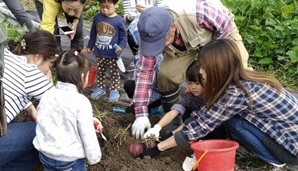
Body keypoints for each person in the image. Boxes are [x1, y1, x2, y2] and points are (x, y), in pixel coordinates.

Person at [134, 38, 298, 170]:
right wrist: (164, 135)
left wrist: (157, 149)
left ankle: (274, 161)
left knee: (233, 122)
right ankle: (268, 154)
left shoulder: (235, 93)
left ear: (217, 69)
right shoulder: (244, 78)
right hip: (287, 136)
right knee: (228, 120)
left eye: (204, 67)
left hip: (292, 149)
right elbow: (204, 115)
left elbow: (201, 125)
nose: (200, 72)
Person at [131, 1, 253, 139]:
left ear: (172, 26)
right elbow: (144, 72)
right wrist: (141, 113)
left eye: (162, 40)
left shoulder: (200, 14)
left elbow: (223, 26)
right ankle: (174, 122)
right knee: (166, 76)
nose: (161, 46)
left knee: (238, 73)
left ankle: (245, 124)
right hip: (182, 44)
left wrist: (211, 63)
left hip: (218, 33)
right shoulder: (148, 33)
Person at [0, 29, 59, 170]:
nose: (48, 71)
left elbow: (9, 86)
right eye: (49, 66)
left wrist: (30, 107)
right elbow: (62, 103)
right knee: (44, 133)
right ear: (38, 57)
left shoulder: (5, 55)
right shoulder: (30, 72)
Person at [33, 49, 102, 170]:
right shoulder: (81, 102)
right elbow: (87, 135)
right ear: (82, 76)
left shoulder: (47, 95)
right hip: (68, 160)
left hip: (45, 155)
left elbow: (44, 121)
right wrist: (94, 157)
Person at [87, 0, 127, 102]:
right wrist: (90, 46)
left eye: (108, 7)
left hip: (112, 53)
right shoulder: (97, 18)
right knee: (100, 71)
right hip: (99, 52)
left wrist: (120, 48)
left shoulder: (119, 20)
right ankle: (100, 88)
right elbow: (93, 34)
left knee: (114, 72)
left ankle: (114, 90)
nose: (104, 10)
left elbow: (123, 37)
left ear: (116, 5)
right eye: (102, 6)